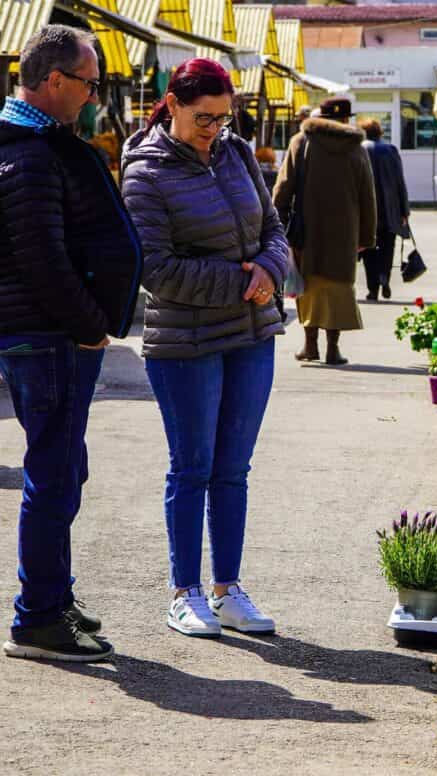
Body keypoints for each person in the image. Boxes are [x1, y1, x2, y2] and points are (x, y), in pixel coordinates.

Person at [121, 58, 288, 638]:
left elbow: (274, 227)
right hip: (184, 341)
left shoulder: (238, 154)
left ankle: (228, 589)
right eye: (203, 118)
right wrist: (244, 282)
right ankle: (184, 591)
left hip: (252, 334)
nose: (213, 128)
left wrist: (269, 266)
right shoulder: (144, 172)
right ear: (171, 105)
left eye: (222, 117)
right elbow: (157, 269)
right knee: (191, 469)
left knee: (233, 470)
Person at [0, 25, 143, 662]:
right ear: (54, 80)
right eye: (87, 83)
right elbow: (41, 258)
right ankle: (37, 620)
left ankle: (52, 596)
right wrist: (90, 327)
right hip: (48, 335)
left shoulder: (35, 144)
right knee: (54, 474)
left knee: (63, 469)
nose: (92, 96)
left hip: (49, 332)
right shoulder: (28, 153)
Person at [274, 97, 376, 365]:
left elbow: (283, 188)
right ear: (345, 119)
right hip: (345, 233)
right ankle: (333, 348)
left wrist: (275, 224)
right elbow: (368, 197)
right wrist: (366, 236)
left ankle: (310, 345)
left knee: (308, 285)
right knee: (339, 288)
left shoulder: (301, 142)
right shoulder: (357, 148)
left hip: (307, 231)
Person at [358, 116, 410, 302]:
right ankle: (384, 277)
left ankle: (373, 289)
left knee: (369, 250)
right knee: (388, 248)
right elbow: (400, 182)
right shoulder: (391, 150)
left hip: (366, 210)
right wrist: (405, 211)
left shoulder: (360, 149)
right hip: (390, 209)